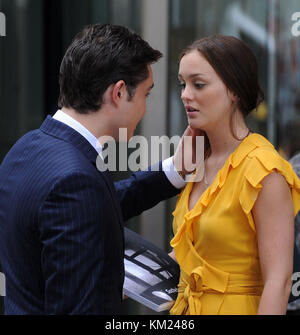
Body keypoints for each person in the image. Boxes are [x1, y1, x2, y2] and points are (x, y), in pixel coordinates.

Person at [0, 23, 194, 315]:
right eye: (146, 94)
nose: (144, 108)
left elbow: (96, 205)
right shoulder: (75, 180)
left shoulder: (26, 149)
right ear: (118, 93)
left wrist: (173, 172)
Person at [169, 35, 300, 315]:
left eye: (198, 84)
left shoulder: (264, 169)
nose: (185, 94)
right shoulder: (199, 160)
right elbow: (196, 256)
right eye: (183, 84)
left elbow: (279, 282)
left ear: (234, 91)